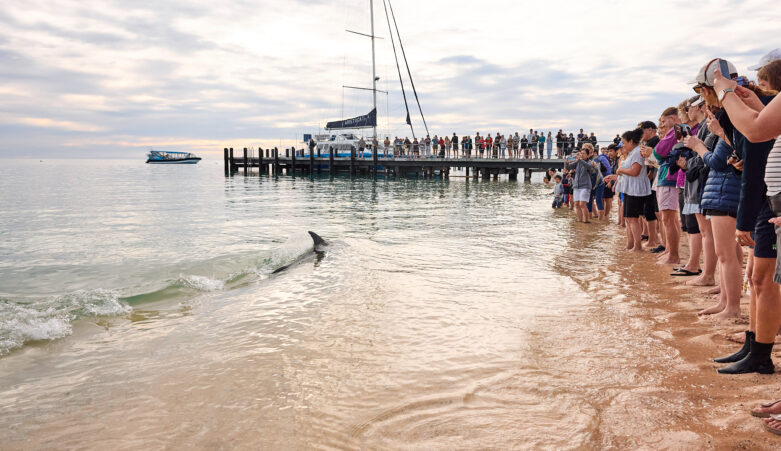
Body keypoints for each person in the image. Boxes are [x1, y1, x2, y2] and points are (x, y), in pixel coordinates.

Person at [603, 128, 651, 251]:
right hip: (630, 188)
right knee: (629, 219)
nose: (622, 145)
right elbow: (629, 173)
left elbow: (635, 171)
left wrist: (620, 170)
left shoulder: (636, 153)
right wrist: (615, 177)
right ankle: (631, 244)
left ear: (631, 142)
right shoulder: (632, 153)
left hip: (636, 190)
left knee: (633, 219)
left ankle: (637, 247)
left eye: (624, 143)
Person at [566, 147, 597, 223]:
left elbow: (589, 167)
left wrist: (579, 159)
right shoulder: (577, 162)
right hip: (576, 186)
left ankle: (586, 221)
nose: (582, 155)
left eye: (583, 154)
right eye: (581, 153)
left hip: (585, 186)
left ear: (587, 155)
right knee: (576, 204)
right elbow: (568, 167)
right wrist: (566, 161)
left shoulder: (590, 162)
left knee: (582, 204)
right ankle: (580, 221)